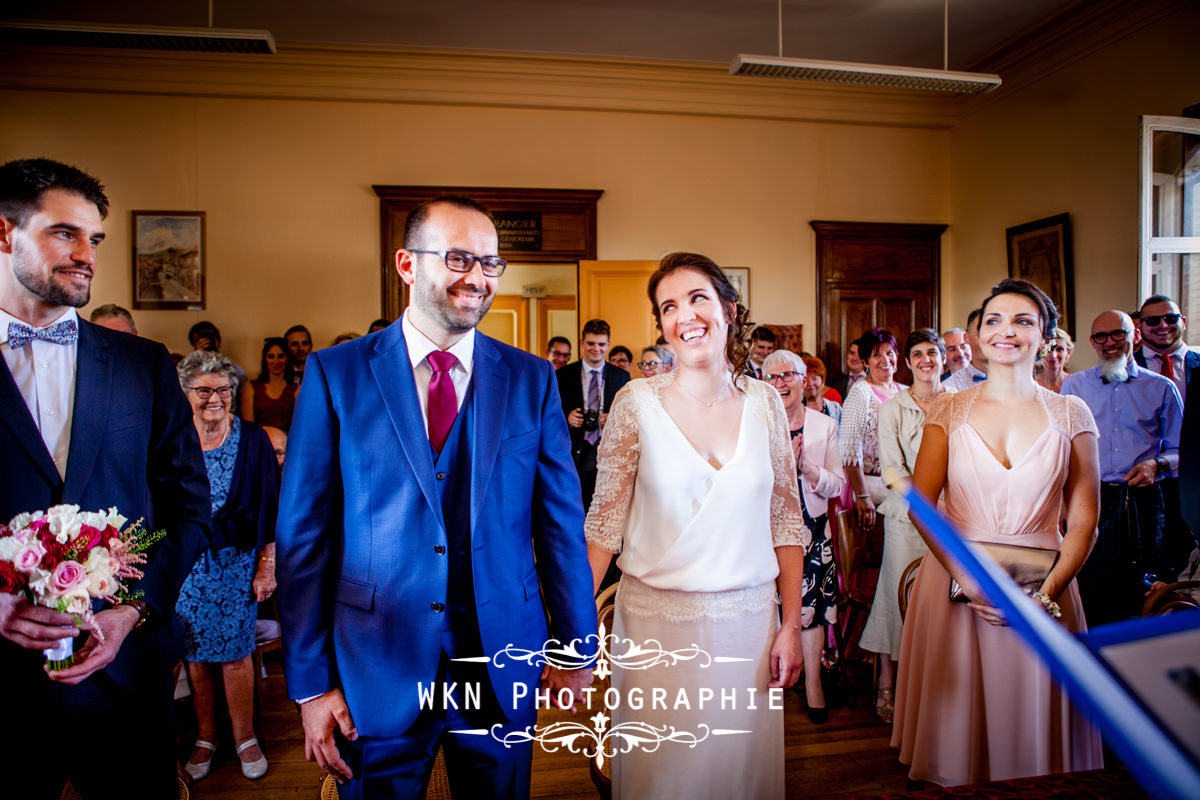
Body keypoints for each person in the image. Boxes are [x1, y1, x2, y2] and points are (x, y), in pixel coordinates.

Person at [276, 195, 596, 799]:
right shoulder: (335, 374)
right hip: (376, 665)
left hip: (499, 658)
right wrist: (312, 684)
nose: (478, 277)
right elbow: (304, 539)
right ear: (406, 265)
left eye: (490, 263)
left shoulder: (531, 380)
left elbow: (559, 525)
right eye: (458, 258)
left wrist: (578, 650)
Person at [0, 157, 211, 797]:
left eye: (94, 238)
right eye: (64, 233)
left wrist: (133, 606)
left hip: (126, 673)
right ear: (4, 233)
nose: (86, 254)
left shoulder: (142, 365)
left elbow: (185, 506)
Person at [585, 252, 805, 799]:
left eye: (697, 298)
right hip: (657, 626)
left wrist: (792, 625)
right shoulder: (635, 402)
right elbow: (604, 526)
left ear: (729, 309)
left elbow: (786, 518)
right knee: (666, 777)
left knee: (738, 776)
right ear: (661, 325)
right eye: (669, 307)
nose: (685, 315)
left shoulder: (766, 405)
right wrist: (573, 625)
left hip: (748, 625)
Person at [893, 278, 1102, 786]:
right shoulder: (948, 409)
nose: (1006, 331)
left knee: (1040, 751)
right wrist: (974, 583)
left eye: (1022, 321)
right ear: (979, 335)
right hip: (955, 585)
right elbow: (922, 505)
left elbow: (1085, 518)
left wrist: (1045, 596)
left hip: (1046, 588)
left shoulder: (1072, 414)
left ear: (1046, 336)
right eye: (994, 320)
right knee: (957, 737)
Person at [176, 351, 280, 782]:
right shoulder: (173, 438)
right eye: (203, 390)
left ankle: (244, 737)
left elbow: (268, 508)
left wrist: (266, 567)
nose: (214, 398)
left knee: (236, 655)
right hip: (187, 565)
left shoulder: (254, 439)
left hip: (237, 563)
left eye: (222, 389)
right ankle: (205, 737)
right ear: (186, 395)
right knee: (195, 656)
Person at [1062, 309, 1183, 625]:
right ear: (1092, 342)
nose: (1110, 342)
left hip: (1141, 499)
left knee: (1139, 585)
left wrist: (1156, 464)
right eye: (1101, 336)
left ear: (1136, 336)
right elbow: (1059, 446)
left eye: (1119, 333)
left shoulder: (1162, 388)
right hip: (1089, 497)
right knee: (1088, 583)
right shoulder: (1074, 387)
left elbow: (1181, 451)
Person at [860, 329, 952, 720]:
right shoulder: (892, 408)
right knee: (898, 596)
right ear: (908, 361)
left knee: (948, 601)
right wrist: (927, 504)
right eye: (917, 353)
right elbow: (892, 470)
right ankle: (887, 684)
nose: (925, 359)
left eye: (933, 352)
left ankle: (937, 686)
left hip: (955, 515)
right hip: (907, 515)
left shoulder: (959, 403)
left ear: (944, 358)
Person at [764, 349, 844, 724]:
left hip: (812, 529)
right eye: (772, 378)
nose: (780, 383)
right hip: (765, 529)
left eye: (788, 376)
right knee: (768, 608)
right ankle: (771, 682)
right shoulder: (759, 424)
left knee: (809, 612)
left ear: (803, 379)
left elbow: (836, 486)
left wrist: (809, 469)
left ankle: (813, 686)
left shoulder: (823, 425)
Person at [557, 318, 630, 508]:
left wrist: (615, 420)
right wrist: (567, 418)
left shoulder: (621, 376)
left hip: (608, 453)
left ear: (608, 345)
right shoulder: (563, 375)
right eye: (590, 343)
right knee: (575, 508)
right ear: (582, 344)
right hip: (574, 453)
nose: (595, 348)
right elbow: (551, 414)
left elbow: (630, 417)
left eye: (601, 344)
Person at [1134, 294, 1197, 402]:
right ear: (1139, 326)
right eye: (1152, 320)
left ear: (1184, 322)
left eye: (1171, 319)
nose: (1163, 325)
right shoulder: (1125, 368)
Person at [241, 336, 299, 432]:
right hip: (259, 443)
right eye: (271, 356)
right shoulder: (251, 387)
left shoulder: (296, 389)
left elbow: (298, 426)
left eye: (281, 356)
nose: (276, 361)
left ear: (287, 358)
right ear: (265, 359)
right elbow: (248, 427)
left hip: (287, 443)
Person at [942, 310, 988, 391]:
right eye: (980, 334)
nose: (960, 353)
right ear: (967, 338)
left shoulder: (1015, 378)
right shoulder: (949, 388)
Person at [801, 354, 843, 426]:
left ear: (823, 382)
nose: (810, 383)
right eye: (806, 379)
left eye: (815, 378)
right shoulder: (796, 411)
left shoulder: (836, 409)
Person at [1035, 327, 1074, 393]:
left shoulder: (1076, 383)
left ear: (1068, 353)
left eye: (1059, 349)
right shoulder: (1030, 384)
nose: (1053, 355)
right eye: (1048, 349)